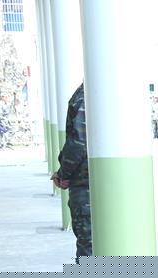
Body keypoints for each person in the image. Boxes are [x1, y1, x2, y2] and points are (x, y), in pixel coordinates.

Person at [50, 83, 91, 264]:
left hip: (86, 187)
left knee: (88, 248)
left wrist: (63, 174)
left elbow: (79, 142)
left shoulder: (86, 93)